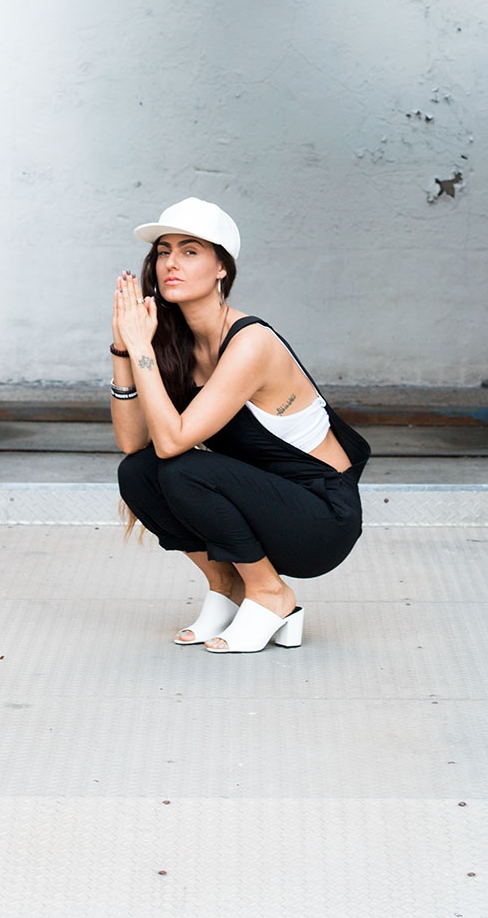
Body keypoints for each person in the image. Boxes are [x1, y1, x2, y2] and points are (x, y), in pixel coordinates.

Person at [111, 197, 371, 653]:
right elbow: (134, 442)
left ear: (221, 269)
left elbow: (172, 443)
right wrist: (123, 350)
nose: (171, 263)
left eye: (190, 251)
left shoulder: (251, 342)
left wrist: (142, 350)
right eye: (164, 251)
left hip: (321, 518)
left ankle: (272, 596)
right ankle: (228, 587)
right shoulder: (178, 345)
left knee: (181, 468)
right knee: (137, 471)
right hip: (269, 506)